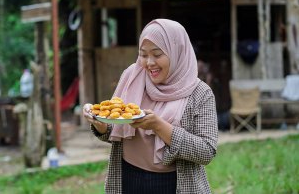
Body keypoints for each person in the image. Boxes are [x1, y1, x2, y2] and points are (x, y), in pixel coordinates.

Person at [83, 19, 218, 194]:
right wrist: (100, 125)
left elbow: (206, 152)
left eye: (157, 54)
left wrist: (158, 125)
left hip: (174, 185)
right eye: (143, 54)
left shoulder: (200, 93)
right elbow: (115, 132)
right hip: (128, 180)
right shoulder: (132, 76)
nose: (149, 63)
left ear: (177, 51)